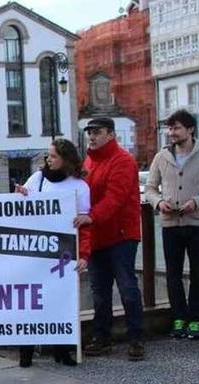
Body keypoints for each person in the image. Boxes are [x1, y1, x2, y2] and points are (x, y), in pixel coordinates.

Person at [145, 109, 199, 340]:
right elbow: (150, 188)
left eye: (177, 128)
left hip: (198, 223)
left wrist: (197, 202)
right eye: (170, 128)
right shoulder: (161, 157)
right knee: (173, 274)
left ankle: (195, 319)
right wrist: (159, 202)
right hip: (171, 224)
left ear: (190, 129)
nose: (172, 133)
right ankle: (179, 317)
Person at [74, 117, 146, 361]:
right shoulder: (88, 162)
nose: (92, 136)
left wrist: (90, 217)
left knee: (127, 287)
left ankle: (136, 338)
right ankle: (102, 336)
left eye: (97, 132)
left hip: (121, 235)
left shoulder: (123, 161)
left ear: (111, 134)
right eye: (90, 132)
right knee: (99, 292)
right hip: (97, 235)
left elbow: (115, 198)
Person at [15, 139, 91, 367]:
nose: (49, 160)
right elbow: (19, 211)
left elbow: (84, 225)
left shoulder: (79, 186)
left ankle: (62, 350)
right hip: (35, 250)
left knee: (60, 302)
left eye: (54, 156)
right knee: (30, 302)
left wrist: (84, 254)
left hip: (63, 253)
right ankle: (26, 352)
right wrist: (19, 196)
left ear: (66, 160)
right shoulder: (37, 180)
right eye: (48, 156)